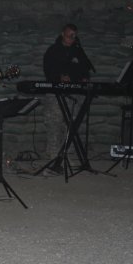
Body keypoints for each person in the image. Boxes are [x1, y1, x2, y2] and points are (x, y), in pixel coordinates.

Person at [42, 23, 93, 173]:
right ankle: (53, 158)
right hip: (55, 94)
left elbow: (85, 68)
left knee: (71, 125)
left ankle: (67, 156)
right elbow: (48, 71)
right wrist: (59, 77)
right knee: (54, 124)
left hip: (73, 94)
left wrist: (84, 78)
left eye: (74, 36)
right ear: (63, 34)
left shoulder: (77, 51)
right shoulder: (53, 51)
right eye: (69, 35)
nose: (72, 38)